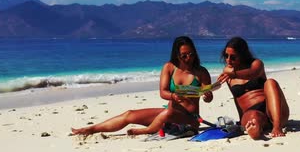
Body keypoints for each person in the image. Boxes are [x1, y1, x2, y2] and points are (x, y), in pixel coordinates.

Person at [71, 36, 213, 136]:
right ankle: (92, 129)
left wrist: (207, 95)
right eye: (184, 55)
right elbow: (163, 92)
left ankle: (147, 130)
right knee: (129, 114)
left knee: (167, 114)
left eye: (191, 54)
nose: (188, 58)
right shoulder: (169, 67)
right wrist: (174, 96)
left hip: (190, 119)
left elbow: (208, 97)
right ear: (177, 55)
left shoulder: (201, 72)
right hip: (168, 112)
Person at [217, 37, 290, 140]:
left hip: (273, 111)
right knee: (254, 116)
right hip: (251, 112)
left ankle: (277, 127)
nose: (228, 60)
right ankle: (255, 130)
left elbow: (252, 73)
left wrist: (234, 74)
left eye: (233, 57)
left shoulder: (256, 64)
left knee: (271, 82)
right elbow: (236, 98)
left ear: (242, 56)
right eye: (226, 56)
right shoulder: (228, 72)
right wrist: (241, 118)